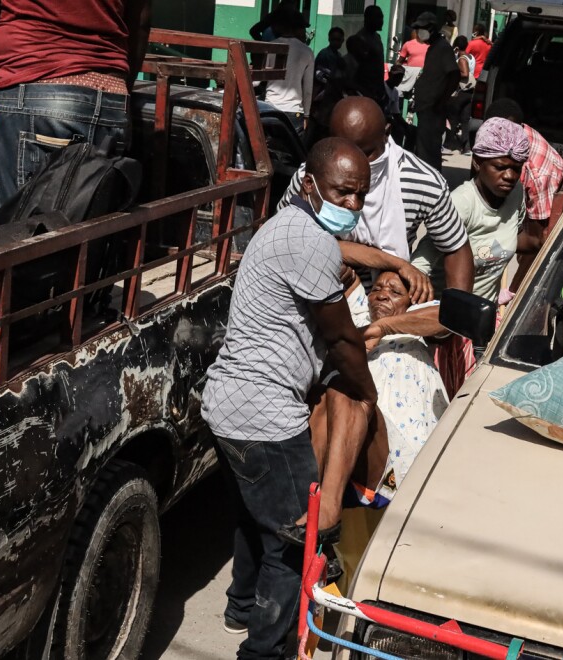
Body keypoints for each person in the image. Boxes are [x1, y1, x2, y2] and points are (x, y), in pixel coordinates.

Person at [202, 137, 377, 656]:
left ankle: (239, 608)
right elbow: (343, 339)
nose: (352, 206)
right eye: (342, 192)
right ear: (308, 183)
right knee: (295, 543)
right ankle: (264, 652)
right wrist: (366, 392)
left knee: (257, 518)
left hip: (227, 404)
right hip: (266, 417)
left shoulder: (284, 229)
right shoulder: (311, 241)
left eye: (360, 196)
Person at [0, 0, 151, 214]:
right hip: (111, 97)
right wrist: (121, 99)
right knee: (83, 238)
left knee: (19, 238)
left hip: (34, 91)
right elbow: (140, 20)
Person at [277, 97, 474, 295]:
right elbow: (284, 238)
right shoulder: (312, 178)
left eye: (365, 153)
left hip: (386, 303)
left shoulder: (423, 182)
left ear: (386, 133)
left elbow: (456, 247)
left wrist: (456, 313)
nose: (355, 163)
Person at [311, 270, 449, 510]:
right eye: (376, 289)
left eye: (395, 292)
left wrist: (382, 328)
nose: (383, 296)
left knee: (342, 388)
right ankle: (311, 501)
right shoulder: (360, 318)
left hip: (402, 457)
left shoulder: (415, 323)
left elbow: (446, 316)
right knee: (325, 392)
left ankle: (325, 508)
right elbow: (343, 264)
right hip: (350, 441)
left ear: (412, 302)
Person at [412, 117, 530, 304]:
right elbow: (420, 265)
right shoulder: (460, 204)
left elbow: (518, 235)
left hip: (482, 316)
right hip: (445, 315)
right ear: (477, 163)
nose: (509, 176)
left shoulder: (516, 193)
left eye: (516, 169)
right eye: (500, 167)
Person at [484, 98, 563, 292]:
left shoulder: (537, 173)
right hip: (527, 203)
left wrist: (512, 293)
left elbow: (538, 241)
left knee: (526, 258)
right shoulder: (508, 133)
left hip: (541, 212)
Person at [412, 12, 460, 171]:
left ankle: (431, 187)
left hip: (433, 110)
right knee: (424, 151)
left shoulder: (442, 47)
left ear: (431, 28)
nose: (419, 32)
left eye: (421, 28)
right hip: (427, 109)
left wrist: (441, 101)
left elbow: (454, 75)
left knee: (429, 154)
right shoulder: (434, 48)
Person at [264, 9, 315, 136]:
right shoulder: (307, 51)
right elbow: (308, 89)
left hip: (270, 109)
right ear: (296, 28)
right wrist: (307, 115)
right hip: (294, 112)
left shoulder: (270, 46)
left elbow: (257, 81)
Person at [444, 36, 476, 154]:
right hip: (470, 92)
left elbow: (465, 74)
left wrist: (453, 73)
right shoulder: (471, 57)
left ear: (457, 46)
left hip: (461, 92)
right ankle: (466, 147)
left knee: (452, 119)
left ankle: (448, 145)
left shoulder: (462, 59)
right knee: (465, 120)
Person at [352, 5, 386, 106]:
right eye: (378, 17)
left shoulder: (377, 37)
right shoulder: (360, 39)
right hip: (365, 93)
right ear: (368, 18)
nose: (381, 21)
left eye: (382, 17)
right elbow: (355, 70)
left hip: (377, 91)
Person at [396, 28, 429, 94]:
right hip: (410, 75)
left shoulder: (431, 46)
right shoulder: (408, 44)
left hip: (424, 76)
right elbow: (400, 61)